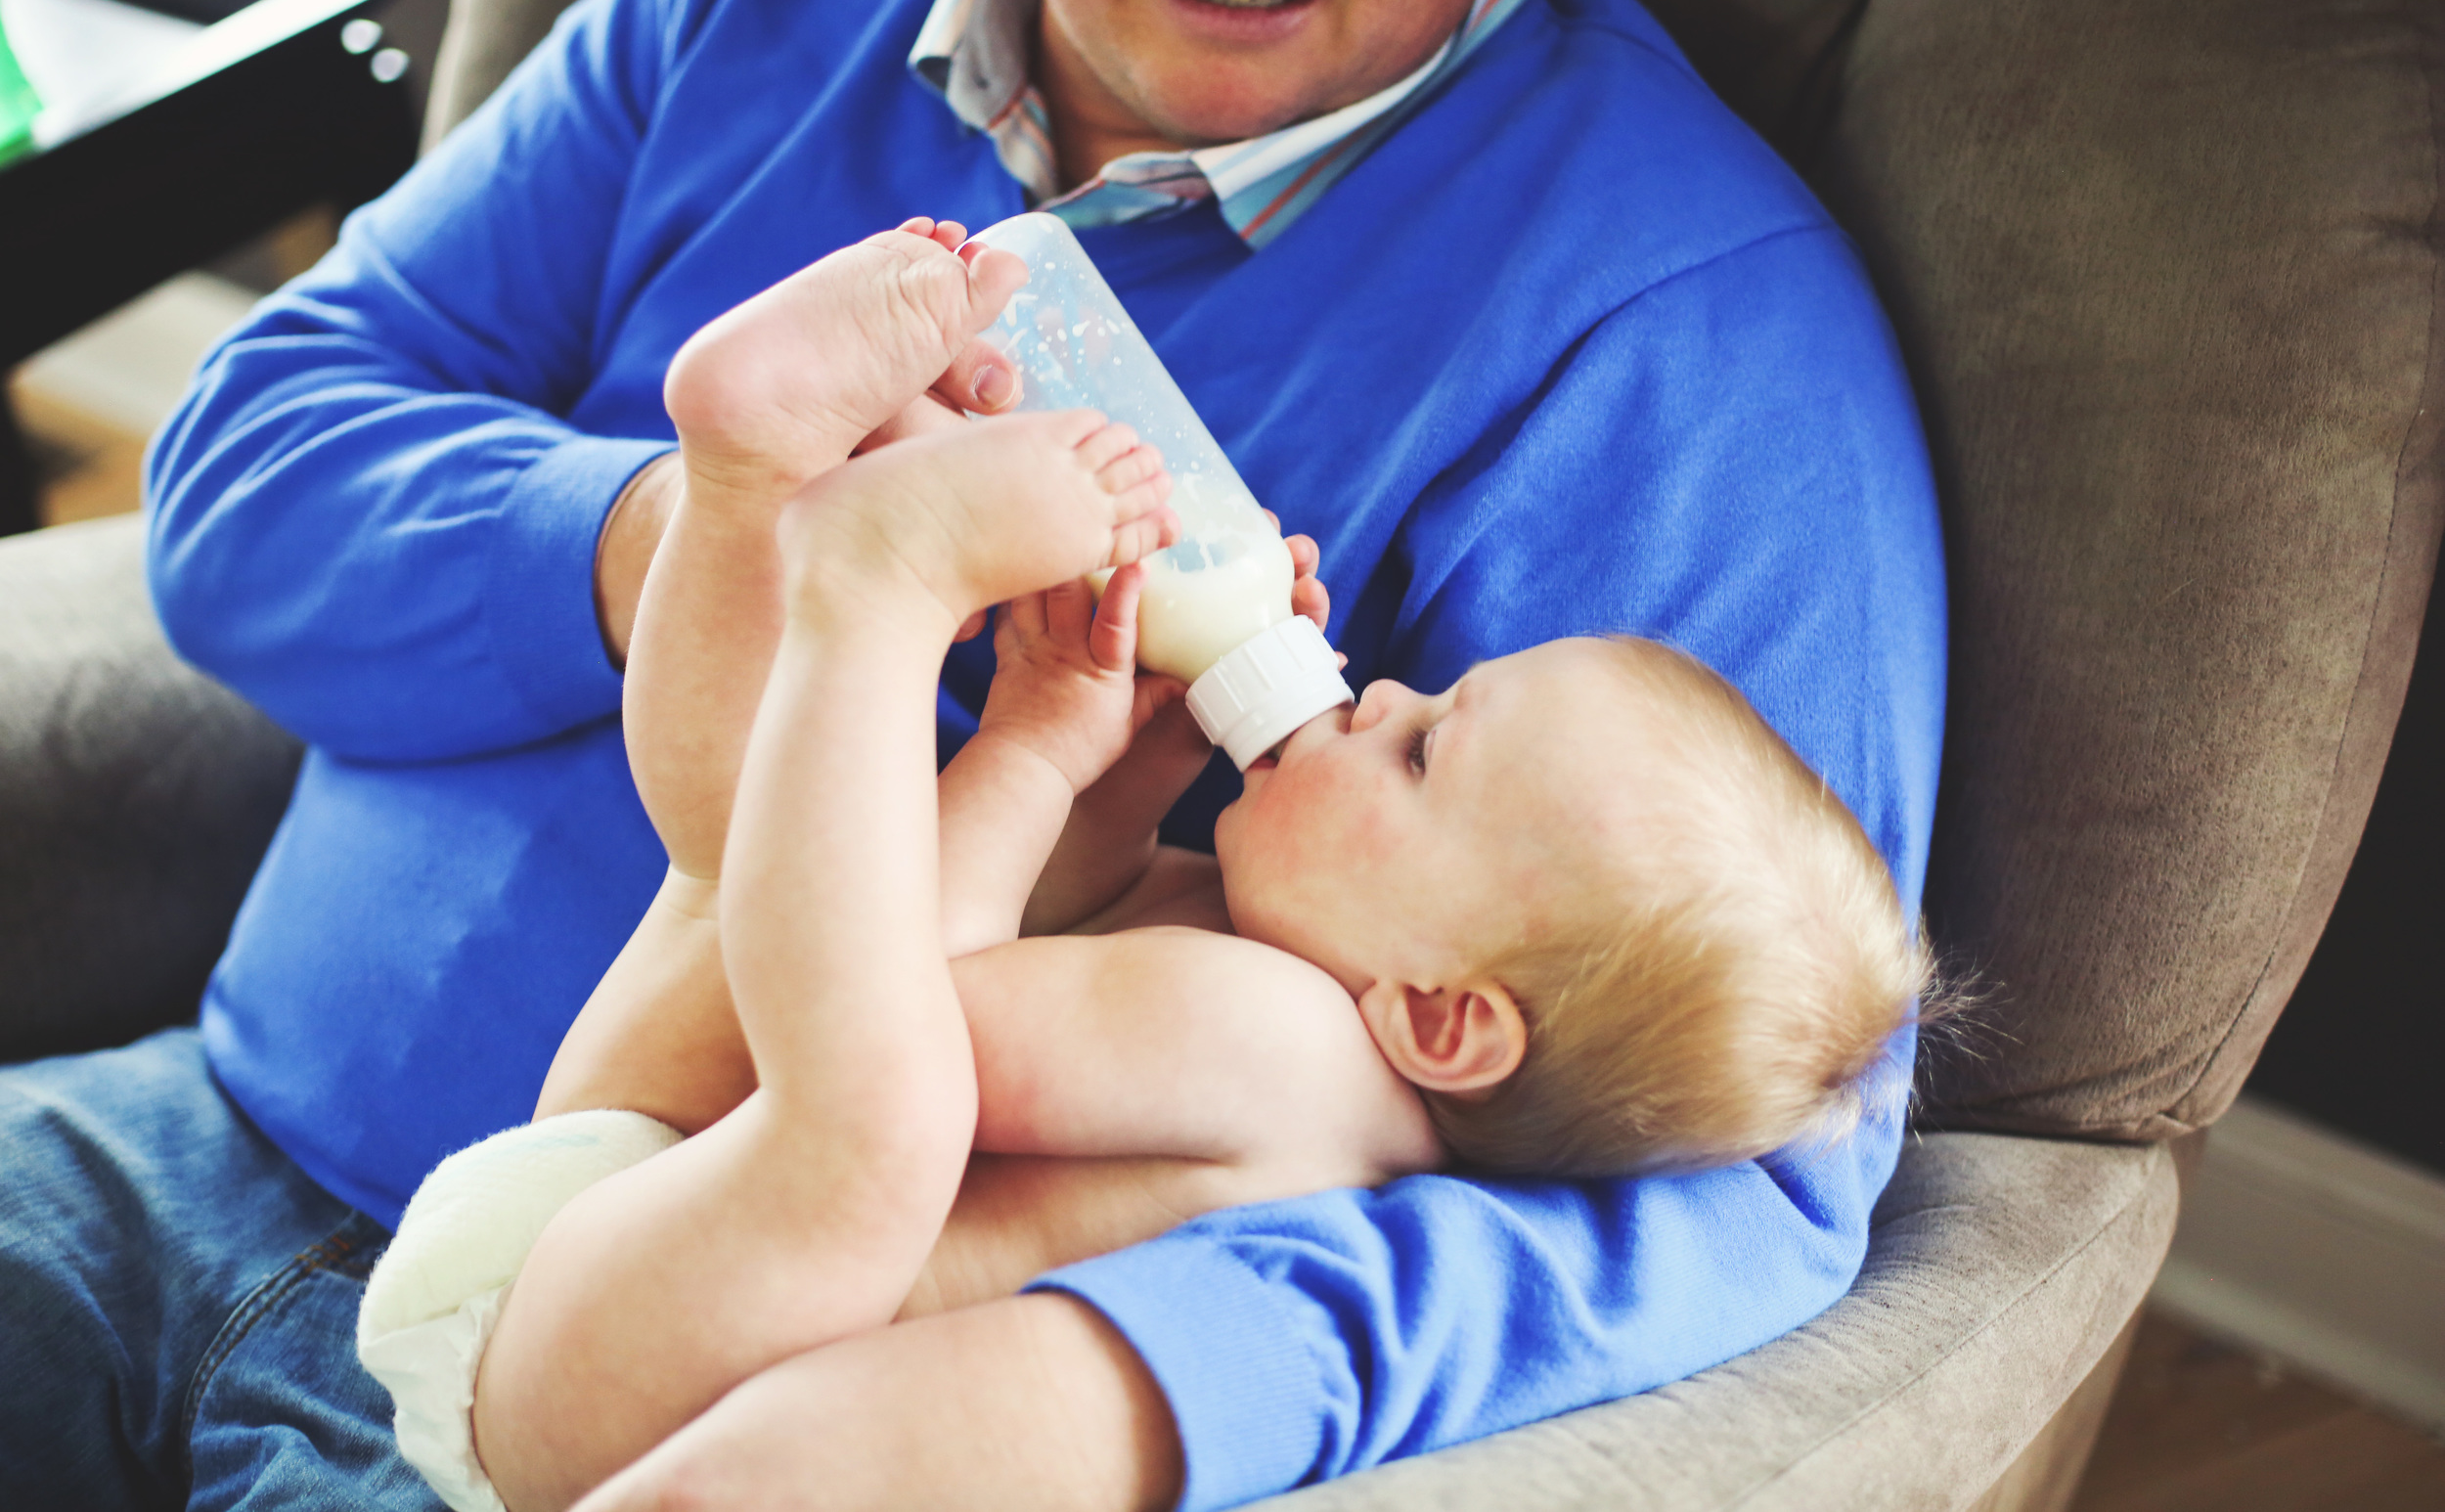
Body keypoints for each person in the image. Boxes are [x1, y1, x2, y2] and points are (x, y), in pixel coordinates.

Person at [0, 0, 1946, 1507]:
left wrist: (1046, 1399)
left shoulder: (1691, 340)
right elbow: (246, 468)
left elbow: (1739, 1148)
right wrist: (687, 540)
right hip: (202, 1133)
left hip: (628, 1369)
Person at [351, 218, 1931, 1512]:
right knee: (739, 858)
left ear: (1447, 1018)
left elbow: (909, 991)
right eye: (1435, 696)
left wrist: (983, 697)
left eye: (1423, 751)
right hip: (642, 1254)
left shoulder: (1284, 1041)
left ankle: (855, 567)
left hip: (611, 1361)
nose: (1385, 691)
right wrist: (1095, 760)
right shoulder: (1273, 969)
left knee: (866, 1080)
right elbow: (1032, 923)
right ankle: (748, 471)